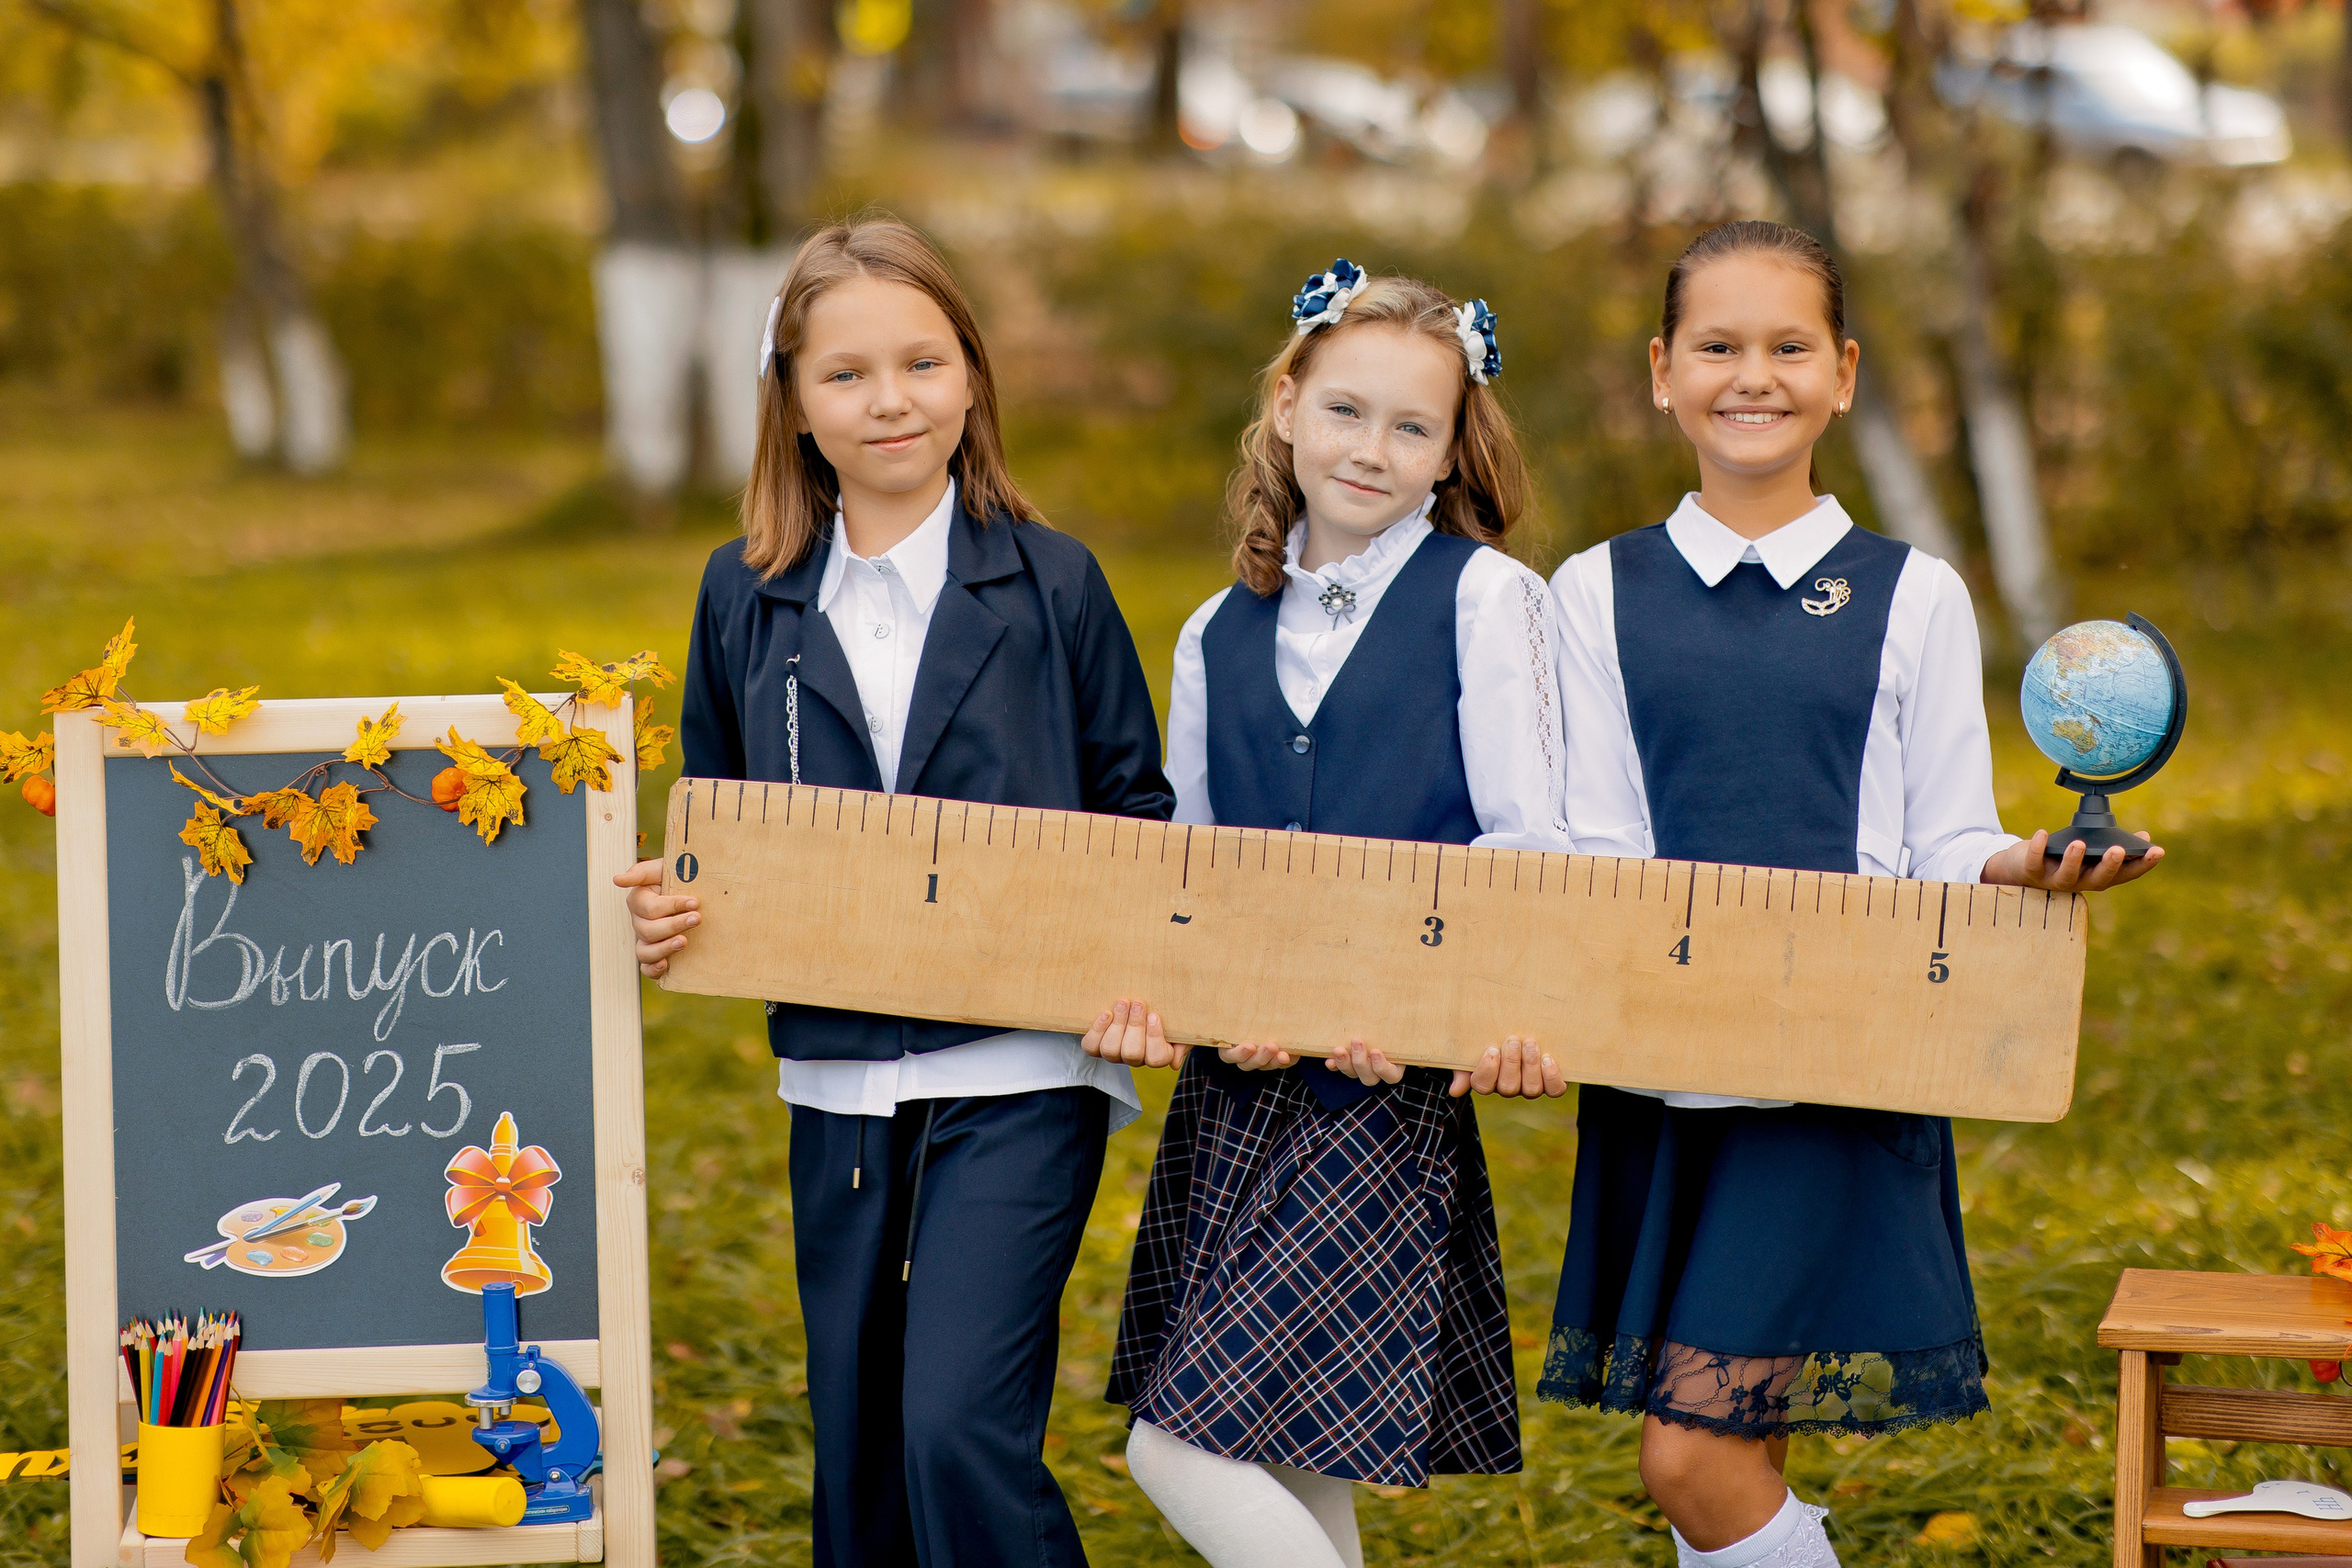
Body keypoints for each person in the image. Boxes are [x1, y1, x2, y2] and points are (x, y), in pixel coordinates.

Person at [1540, 219, 2164, 1568]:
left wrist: (2022, 864)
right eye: (1716, 345)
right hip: (1663, 1074)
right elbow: (1594, 840)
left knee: (1690, 1455)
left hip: (1836, 1069)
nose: (1750, 376)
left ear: (1844, 373)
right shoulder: (1593, 591)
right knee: (1737, 1448)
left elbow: (1944, 831)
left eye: (1788, 346)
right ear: (1661, 370)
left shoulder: (1914, 593)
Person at [614, 215, 1173, 1568]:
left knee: (954, 1433)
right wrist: (669, 909)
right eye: (847, 374)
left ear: (971, 377)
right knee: (864, 1466)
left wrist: (1142, 980)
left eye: (921, 362)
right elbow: (718, 819)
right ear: (795, 405)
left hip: (1024, 1073)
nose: (890, 400)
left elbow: (1139, 816)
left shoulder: (1054, 587)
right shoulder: (744, 595)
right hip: (839, 1084)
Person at [1083, 261, 1572, 1568]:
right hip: (1244, 1094)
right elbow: (1195, 871)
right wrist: (1203, 1010)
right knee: (1291, 1453)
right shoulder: (1212, 631)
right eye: (1347, 412)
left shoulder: (1485, 600)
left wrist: (1428, 1014)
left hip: (1381, 1093)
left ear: (1452, 447)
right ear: (1287, 405)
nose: (1374, 449)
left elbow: (1525, 850)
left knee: (1178, 1444)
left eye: (1414, 426)